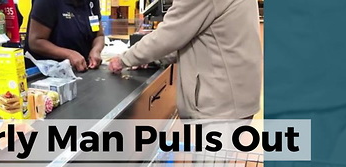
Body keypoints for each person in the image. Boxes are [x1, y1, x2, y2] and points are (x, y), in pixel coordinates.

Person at [109, 0, 262, 120]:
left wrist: (123, 59)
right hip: (236, 94)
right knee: (218, 159)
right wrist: (154, 58)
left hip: (221, 104)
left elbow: (168, 35)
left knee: (210, 160)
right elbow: (200, 36)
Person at [25, 0, 104, 72]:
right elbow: (35, 42)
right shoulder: (46, 2)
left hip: (80, 72)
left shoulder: (92, 2)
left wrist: (96, 50)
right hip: (47, 74)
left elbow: (99, 35)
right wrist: (69, 54)